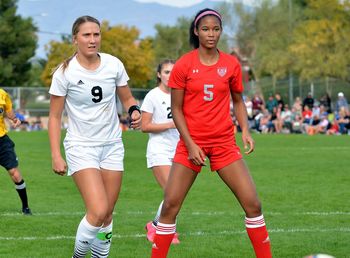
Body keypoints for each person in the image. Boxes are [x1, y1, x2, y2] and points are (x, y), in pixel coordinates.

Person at [150, 8, 272, 258]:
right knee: (170, 206)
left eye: (216, 29)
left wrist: (245, 130)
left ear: (221, 31)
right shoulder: (184, 64)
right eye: (205, 29)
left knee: (253, 204)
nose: (211, 34)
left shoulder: (231, 64)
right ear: (196, 31)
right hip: (190, 143)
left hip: (224, 142)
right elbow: (176, 108)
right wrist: (191, 144)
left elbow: (238, 101)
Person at [48, 15, 141, 258]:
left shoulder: (114, 65)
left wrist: (134, 111)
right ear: (75, 39)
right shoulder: (64, 72)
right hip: (81, 146)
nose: (92, 40)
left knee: (108, 213)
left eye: (96, 34)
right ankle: (78, 256)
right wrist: (56, 155)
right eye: (86, 35)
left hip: (111, 146)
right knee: (97, 210)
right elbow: (55, 117)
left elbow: (128, 98)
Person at [141, 60, 180, 244]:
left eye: (173, 71)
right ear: (159, 74)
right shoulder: (152, 96)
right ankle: (167, 233)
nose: (170, 75)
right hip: (159, 149)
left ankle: (155, 225)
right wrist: (171, 124)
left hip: (179, 149)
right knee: (172, 192)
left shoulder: (181, 95)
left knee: (176, 194)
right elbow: (145, 126)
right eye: (166, 71)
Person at [0, 88, 32, 215]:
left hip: (2, 141)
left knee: (15, 173)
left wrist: (14, 119)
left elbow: (8, 111)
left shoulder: (2, 94)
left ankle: (25, 207)